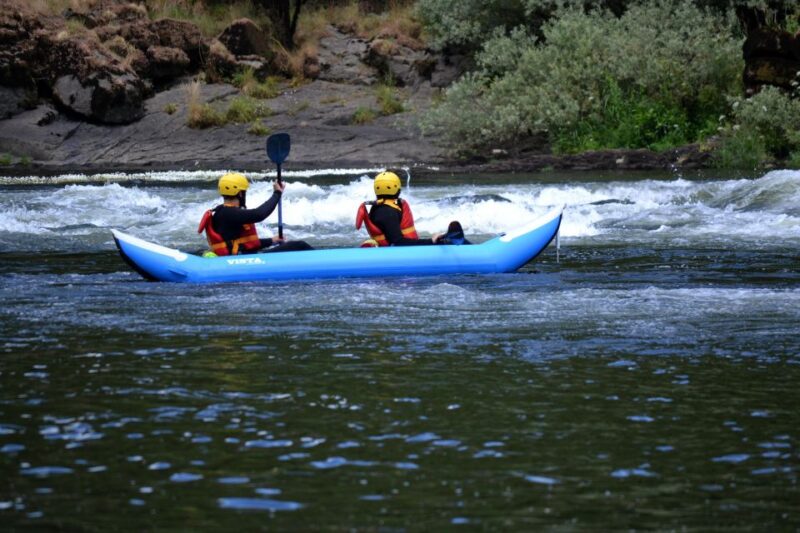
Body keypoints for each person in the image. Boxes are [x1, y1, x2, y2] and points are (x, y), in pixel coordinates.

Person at [198, 172, 312, 256]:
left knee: (286, 246)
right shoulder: (230, 213)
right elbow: (259, 214)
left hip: (241, 256)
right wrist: (277, 193)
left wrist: (272, 240)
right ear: (240, 194)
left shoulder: (221, 211)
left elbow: (244, 243)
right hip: (242, 259)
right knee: (299, 245)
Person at [355, 170, 470, 247]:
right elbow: (397, 242)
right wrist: (431, 241)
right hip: (397, 253)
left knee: (447, 240)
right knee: (446, 242)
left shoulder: (384, 208)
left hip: (398, 249)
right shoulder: (386, 212)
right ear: (397, 189)